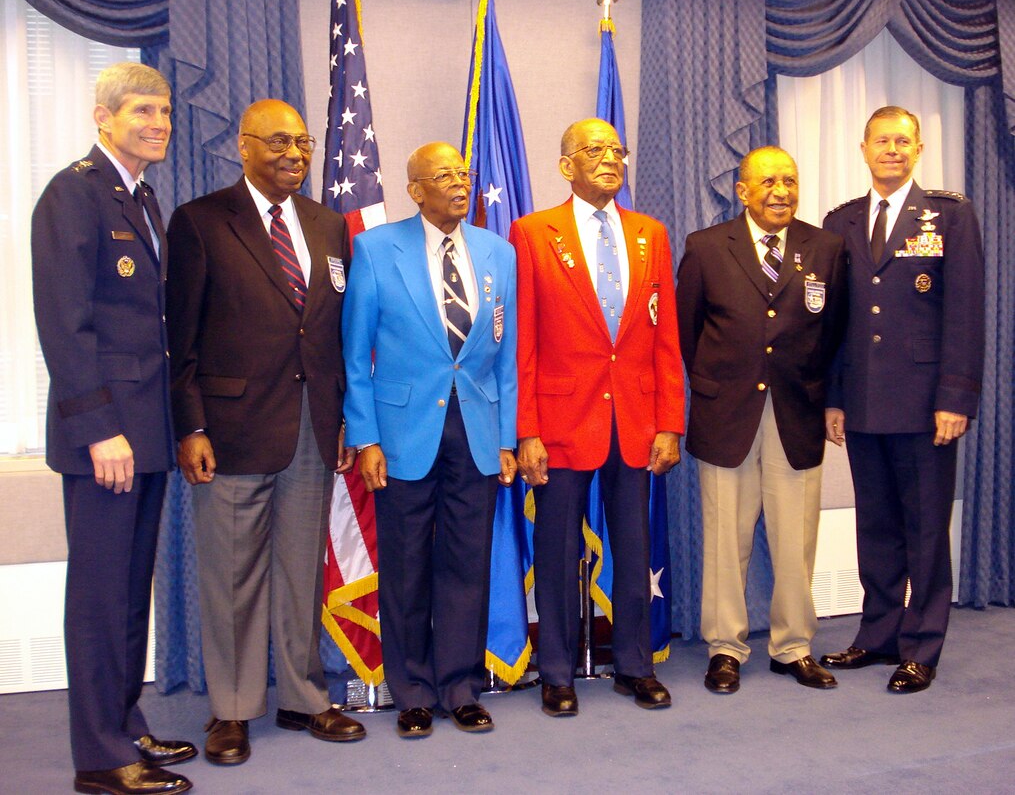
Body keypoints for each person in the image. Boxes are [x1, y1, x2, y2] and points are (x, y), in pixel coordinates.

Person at [165, 99, 364, 764]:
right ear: (243, 147)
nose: (294, 154)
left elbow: (329, 334)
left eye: (303, 142)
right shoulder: (200, 220)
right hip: (229, 428)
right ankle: (232, 708)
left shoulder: (328, 224)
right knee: (232, 576)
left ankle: (304, 696)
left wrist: (339, 419)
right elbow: (181, 338)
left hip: (310, 426)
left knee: (300, 572)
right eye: (278, 141)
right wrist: (189, 423)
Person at [31, 62, 196, 795]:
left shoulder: (142, 197)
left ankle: (123, 723)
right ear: (103, 118)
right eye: (142, 111)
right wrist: (99, 428)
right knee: (100, 597)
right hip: (107, 438)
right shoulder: (73, 193)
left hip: (146, 431)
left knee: (131, 590)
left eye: (163, 111)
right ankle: (100, 758)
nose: (158, 123)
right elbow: (65, 326)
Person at [342, 142, 518, 738]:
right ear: (415, 189)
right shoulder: (374, 249)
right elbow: (353, 354)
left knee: (468, 564)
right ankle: (413, 690)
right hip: (401, 436)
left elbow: (506, 358)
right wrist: (365, 437)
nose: (458, 183)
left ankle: (461, 686)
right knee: (408, 566)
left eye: (462, 173)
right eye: (443, 175)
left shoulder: (498, 252)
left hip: (477, 432)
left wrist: (507, 437)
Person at [510, 118, 683, 717]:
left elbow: (665, 338)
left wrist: (670, 421)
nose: (610, 159)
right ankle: (555, 670)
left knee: (635, 548)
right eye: (594, 150)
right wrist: (525, 429)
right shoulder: (533, 233)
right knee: (556, 551)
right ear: (565, 165)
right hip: (561, 420)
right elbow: (523, 341)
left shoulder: (650, 235)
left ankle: (635, 665)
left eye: (617, 150)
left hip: (635, 420)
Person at [820, 106, 985, 693]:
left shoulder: (949, 215)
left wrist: (956, 397)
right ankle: (878, 634)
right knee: (878, 525)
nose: (892, 149)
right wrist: (834, 398)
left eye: (903, 141)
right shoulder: (840, 222)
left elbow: (965, 312)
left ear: (917, 150)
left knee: (925, 527)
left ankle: (922, 645)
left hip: (925, 405)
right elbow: (836, 322)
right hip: (863, 400)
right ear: (863, 148)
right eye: (881, 141)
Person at [677, 146, 847, 695]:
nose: (781, 191)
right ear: (742, 190)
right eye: (768, 181)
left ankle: (793, 646)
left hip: (796, 414)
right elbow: (686, 333)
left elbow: (835, 335)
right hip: (726, 415)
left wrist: (829, 398)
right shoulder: (706, 248)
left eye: (790, 180)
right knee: (725, 539)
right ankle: (725, 647)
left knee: (796, 539)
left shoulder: (824, 247)